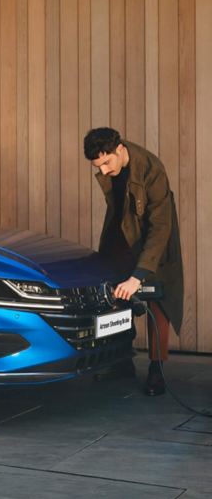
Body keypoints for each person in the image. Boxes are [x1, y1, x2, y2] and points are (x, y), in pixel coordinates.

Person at [83, 127, 184, 396]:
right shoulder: (111, 164)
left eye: (106, 163)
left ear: (119, 149)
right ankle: (121, 361)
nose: (103, 171)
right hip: (121, 240)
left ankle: (157, 369)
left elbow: (161, 227)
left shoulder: (152, 170)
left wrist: (138, 275)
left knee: (157, 304)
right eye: (97, 166)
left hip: (154, 246)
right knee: (117, 301)